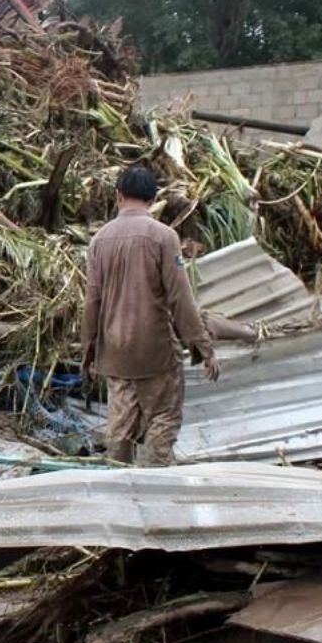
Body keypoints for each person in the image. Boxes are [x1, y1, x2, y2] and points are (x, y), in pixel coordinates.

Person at [81, 165, 220, 466]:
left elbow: (92, 301)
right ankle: (154, 483)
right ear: (153, 197)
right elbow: (180, 298)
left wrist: (88, 351)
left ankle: (119, 485)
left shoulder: (98, 242)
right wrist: (203, 346)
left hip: (115, 352)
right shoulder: (164, 237)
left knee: (120, 428)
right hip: (155, 351)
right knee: (163, 418)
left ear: (118, 196)